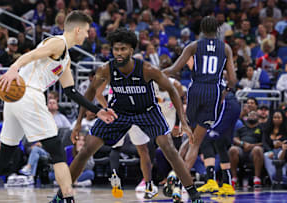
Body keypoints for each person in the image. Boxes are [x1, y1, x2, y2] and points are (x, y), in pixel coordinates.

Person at [0, 11, 116, 203]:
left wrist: (98, 111)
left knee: (5, 155)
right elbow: (32, 54)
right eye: (87, 30)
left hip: (15, 101)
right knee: (56, 149)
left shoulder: (66, 59)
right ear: (78, 29)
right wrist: (13, 68)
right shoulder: (58, 42)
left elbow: (71, 92)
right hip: (28, 93)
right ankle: (67, 199)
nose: (88, 34)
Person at [51, 28, 203, 202]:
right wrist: (78, 122)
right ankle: (61, 195)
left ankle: (194, 195)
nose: (119, 53)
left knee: (168, 148)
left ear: (131, 50)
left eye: (123, 49)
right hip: (119, 112)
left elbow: (172, 91)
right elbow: (91, 92)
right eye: (116, 49)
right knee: (86, 150)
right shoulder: (106, 69)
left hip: (147, 111)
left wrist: (183, 121)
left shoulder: (148, 69)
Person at [163, 16, 237, 172]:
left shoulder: (194, 46)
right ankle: (179, 181)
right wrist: (225, 92)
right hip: (213, 92)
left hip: (195, 90)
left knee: (190, 137)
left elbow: (174, 69)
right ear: (217, 30)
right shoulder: (225, 48)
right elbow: (233, 80)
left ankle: (173, 174)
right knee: (196, 142)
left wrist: (154, 74)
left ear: (202, 30)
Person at [195, 92, 241, 195]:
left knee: (206, 137)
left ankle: (211, 181)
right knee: (220, 143)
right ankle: (227, 184)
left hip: (226, 105)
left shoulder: (207, 85)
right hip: (229, 106)